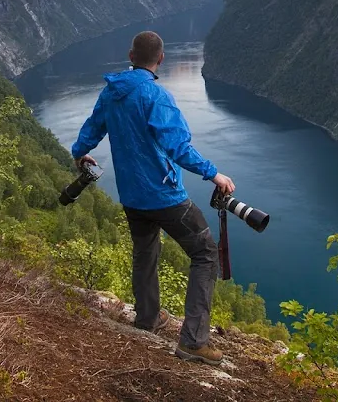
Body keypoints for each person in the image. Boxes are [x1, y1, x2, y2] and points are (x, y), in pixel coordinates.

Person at [71, 30, 235, 366]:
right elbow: (178, 147)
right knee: (205, 253)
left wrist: (79, 153)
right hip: (163, 195)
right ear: (161, 59)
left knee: (145, 253)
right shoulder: (156, 96)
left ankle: (147, 319)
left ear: (131, 56)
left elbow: (92, 129)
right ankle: (193, 342)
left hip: (131, 196)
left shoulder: (111, 92)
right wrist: (214, 174)